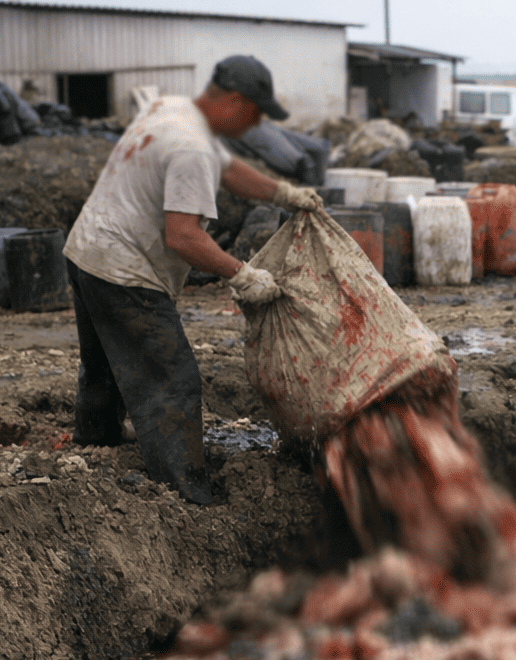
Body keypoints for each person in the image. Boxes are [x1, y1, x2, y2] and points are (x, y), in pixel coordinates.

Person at [63, 55, 324, 504]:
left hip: (87, 250)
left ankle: (96, 443)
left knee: (104, 361)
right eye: (256, 114)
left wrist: (283, 192)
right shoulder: (192, 148)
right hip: (127, 271)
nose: (257, 124)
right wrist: (242, 275)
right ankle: (185, 490)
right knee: (172, 378)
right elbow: (183, 236)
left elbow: (230, 169)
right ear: (235, 101)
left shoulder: (173, 109)